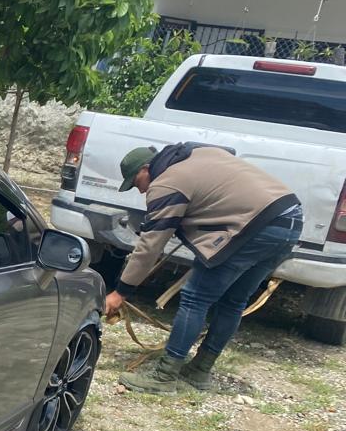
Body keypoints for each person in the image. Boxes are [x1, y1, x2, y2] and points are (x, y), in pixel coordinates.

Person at [104, 144, 303, 394]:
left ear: (147, 168)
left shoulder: (167, 182)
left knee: (195, 298)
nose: (140, 189)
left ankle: (165, 376)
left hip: (255, 227)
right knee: (233, 301)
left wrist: (120, 292)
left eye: (136, 181)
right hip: (290, 221)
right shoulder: (198, 155)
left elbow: (150, 244)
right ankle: (199, 370)